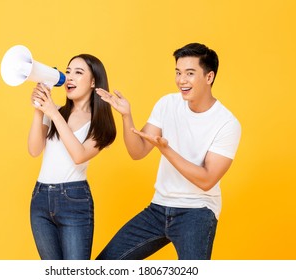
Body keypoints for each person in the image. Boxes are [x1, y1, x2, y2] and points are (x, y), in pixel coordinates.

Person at [95, 43, 241, 260]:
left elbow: (207, 180)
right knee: (104, 265)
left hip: (197, 212)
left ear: (209, 77)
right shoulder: (167, 104)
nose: (181, 80)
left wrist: (167, 150)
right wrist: (127, 116)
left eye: (190, 73)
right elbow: (138, 151)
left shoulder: (227, 123)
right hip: (158, 208)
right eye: (178, 72)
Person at [28, 54, 116, 260]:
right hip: (40, 198)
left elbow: (79, 155)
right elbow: (34, 150)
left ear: (93, 81)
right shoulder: (54, 112)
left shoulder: (101, 124)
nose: (70, 78)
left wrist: (53, 113)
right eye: (68, 72)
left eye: (78, 72)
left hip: (74, 200)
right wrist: (39, 111)